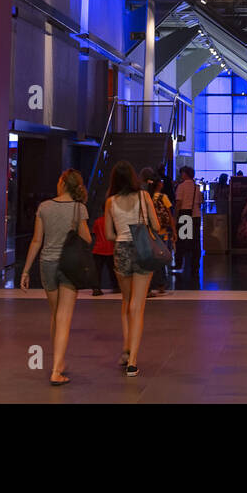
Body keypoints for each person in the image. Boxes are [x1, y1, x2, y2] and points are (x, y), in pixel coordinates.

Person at [20, 168, 91, 385]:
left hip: (47, 264)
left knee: (55, 315)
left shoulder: (44, 207)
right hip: (69, 265)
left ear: (62, 182)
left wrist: (25, 270)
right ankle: (56, 369)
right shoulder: (79, 209)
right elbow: (87, 238)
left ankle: (58, 362)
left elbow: (36, 241)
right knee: (64, 318)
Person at [105, 160, 158, 377]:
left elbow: (109, 235)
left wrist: (122, 236)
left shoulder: (110, 202)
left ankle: (126, 349)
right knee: (138, 306)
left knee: (126, 303)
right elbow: (155, 225)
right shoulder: (144, 197)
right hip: (143, 249)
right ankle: (133, 361)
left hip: (122, 251)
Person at [143, 170, 174, 296]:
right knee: (161, 257)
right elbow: (169, 214)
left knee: (151, 258)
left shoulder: (146, 197)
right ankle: (161, 284)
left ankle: (150, 284)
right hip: (162, 231)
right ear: (159, 184)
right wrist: (174, 229)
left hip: (149, 231)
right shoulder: (163, 197)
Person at [174, 166, 203, 272]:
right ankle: (195, 266)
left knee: (182, 242)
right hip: (196, 216)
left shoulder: (181, 187)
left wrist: (175, 217)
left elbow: (178, 203)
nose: (181, 176)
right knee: (195, 243)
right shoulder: (197, 187)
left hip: (184, 215)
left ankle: (179, 264)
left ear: (185, 174)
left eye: (182, 173)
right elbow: (200, 203)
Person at [90, 206, 117, 296]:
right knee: (113, 270)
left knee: (97, 271)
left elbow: (95, 233)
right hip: (110, 249)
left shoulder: (97, 221)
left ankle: (96, 288)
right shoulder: (113, 222)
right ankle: (116, 287)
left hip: (98, 249)